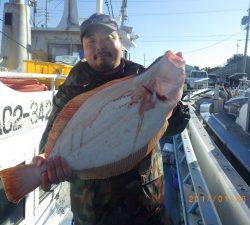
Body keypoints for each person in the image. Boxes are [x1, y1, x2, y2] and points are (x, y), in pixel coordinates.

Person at [33, 13, 190, 225]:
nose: (100, 45)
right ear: (83, 47)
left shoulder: (142, 76)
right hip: (91, 214)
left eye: (109, 37)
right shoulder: (71, 89)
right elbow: (50, 139)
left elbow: (175, 127)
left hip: (146, 208)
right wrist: (47, 163)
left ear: (120, 42)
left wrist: (171, 104)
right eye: (91, 41)